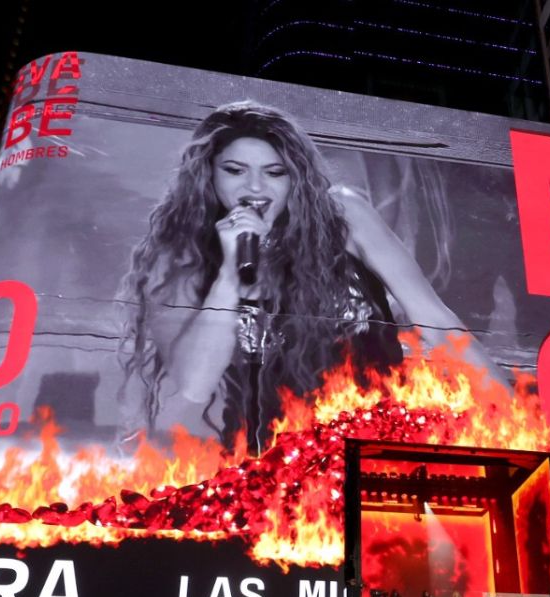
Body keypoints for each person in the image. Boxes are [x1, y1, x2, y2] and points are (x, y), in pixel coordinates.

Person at [119, 101, 501, 449]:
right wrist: (229, 278)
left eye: (274, 172)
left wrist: (519, 415)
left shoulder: (342, 217)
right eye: (235, 170)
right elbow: (194, 384)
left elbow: (436, 322)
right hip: (273, 465)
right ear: (209, 174)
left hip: (374, 445)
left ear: (294, 178)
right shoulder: (185, 253)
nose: (255, 187)